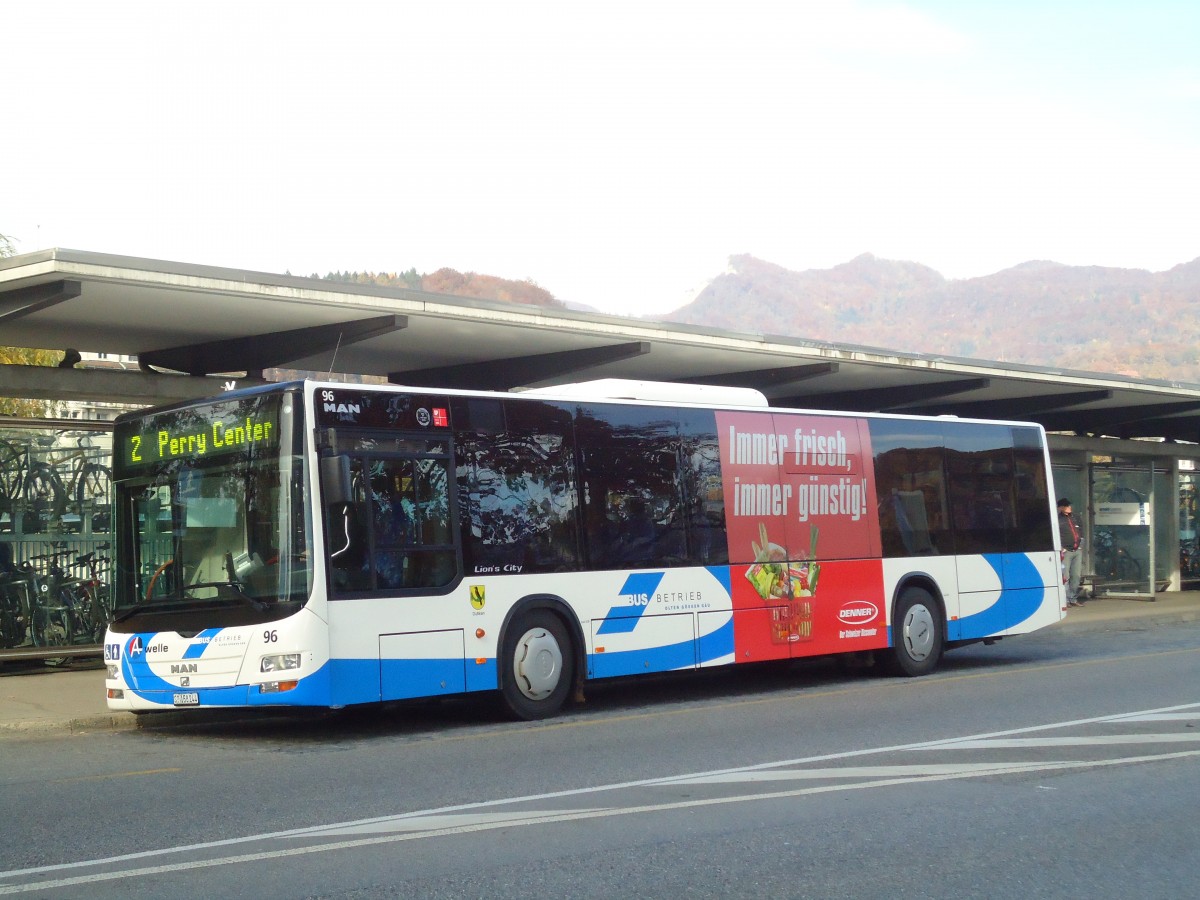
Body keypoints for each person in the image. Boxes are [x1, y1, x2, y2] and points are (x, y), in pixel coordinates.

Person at [1058, 497, 1083, 607]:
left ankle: (1073, 598)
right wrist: (1061, 547)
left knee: (1076, 575)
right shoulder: (1058, 519)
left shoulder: (1075, 517)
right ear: (1061, 508)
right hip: (1066, 551)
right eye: (1067, 506)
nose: (1070, 507)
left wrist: (1081, 544)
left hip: (1077, 550)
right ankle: (1066, 600)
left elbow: (1081, 531)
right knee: (1065, 576)